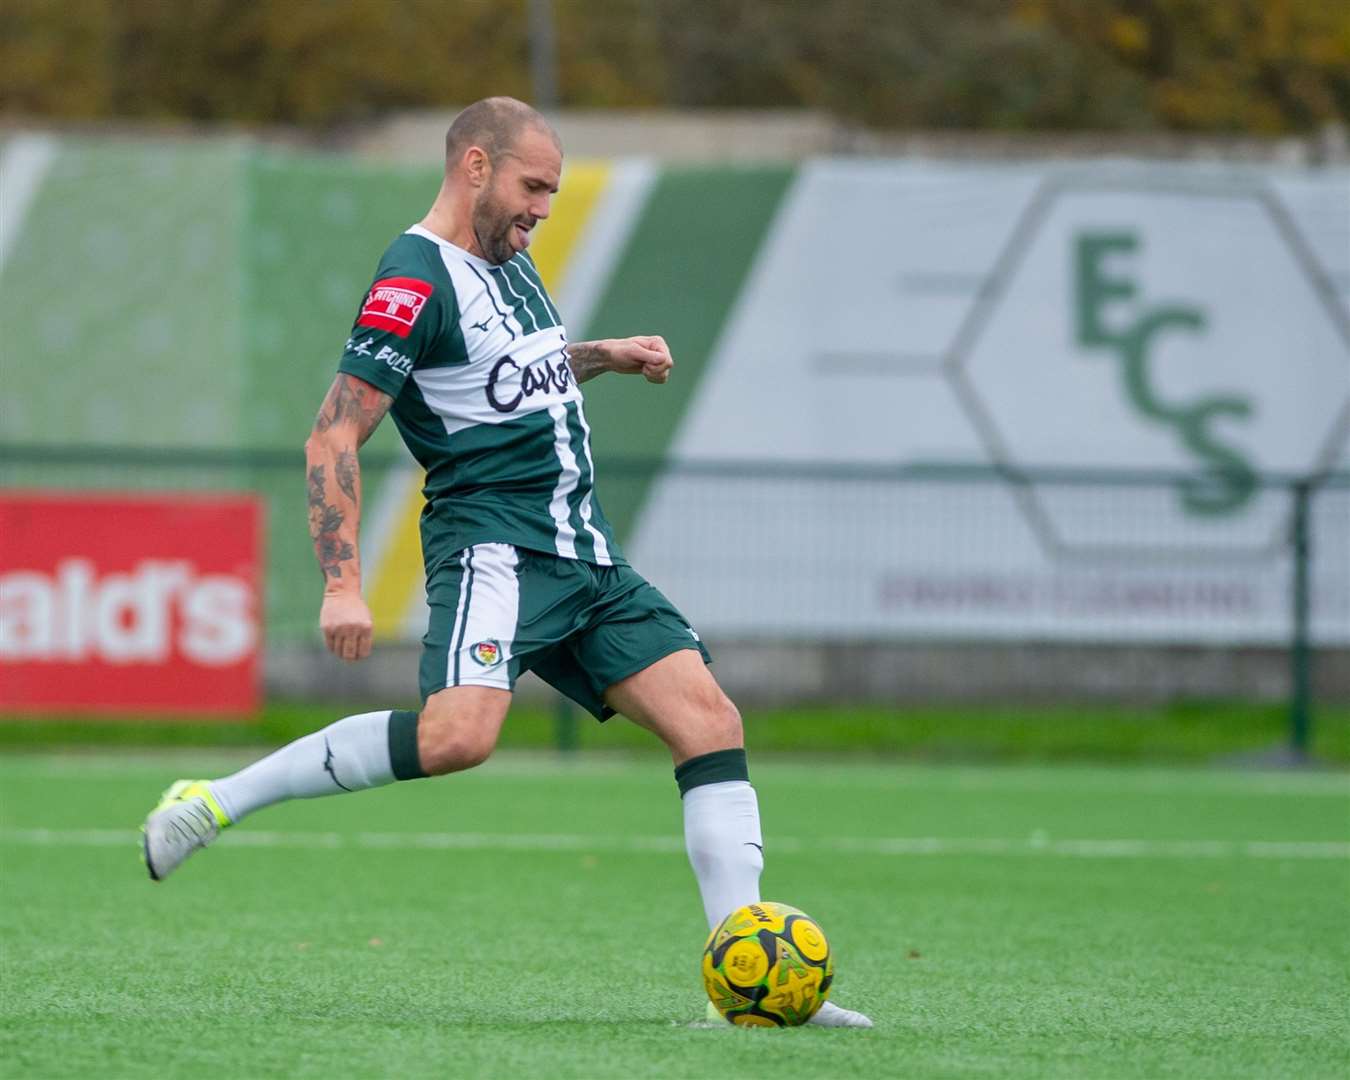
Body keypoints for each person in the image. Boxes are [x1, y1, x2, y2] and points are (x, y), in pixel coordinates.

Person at [141, 96, 870, 1028]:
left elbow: (507, 375)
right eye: (533, 187)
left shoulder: (511, 264)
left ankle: (753, 984)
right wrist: (342, 583)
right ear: (475, 167)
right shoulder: (414, 280)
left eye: (554, 192)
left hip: (584, 551)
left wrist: (601, 355)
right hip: (498, 547)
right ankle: (212, 802)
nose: (543, 208)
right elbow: (333, 437)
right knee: (458, 740)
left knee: (709, 720)